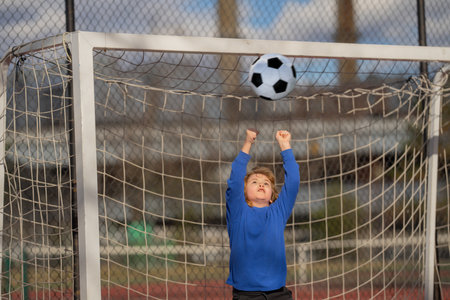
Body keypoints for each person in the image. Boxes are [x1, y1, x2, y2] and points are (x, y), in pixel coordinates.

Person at [226, 128, 300, 300]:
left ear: (272, 195)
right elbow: (235, 179)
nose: (261, 185)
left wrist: (284, 145)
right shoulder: (238, 211)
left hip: (278, 293)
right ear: (243, 192)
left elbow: (293, 181)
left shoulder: (278, 211)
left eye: (266, 183)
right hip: (246, 294)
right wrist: (247, 143)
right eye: (254, 182)